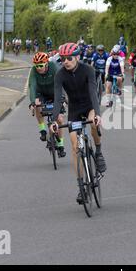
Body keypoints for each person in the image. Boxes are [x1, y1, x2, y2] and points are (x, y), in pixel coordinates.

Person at [50, 42, 107, 204]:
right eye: (62, 59)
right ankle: (81, 186)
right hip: (74, 109)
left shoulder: (88, 70)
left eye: (69, 58)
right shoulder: (60, 75)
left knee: (94, 122)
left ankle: (98, 151)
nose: (65, 61)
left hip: (89, 104)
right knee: (75, 147)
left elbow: (93, 93)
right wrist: (54, 120)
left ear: (77, 57)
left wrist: (97, 113)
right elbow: (57, 98)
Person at [29, 52, 66, 158]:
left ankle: (61, 144)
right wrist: (32, 102)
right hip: (41, 93)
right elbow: (32, 86)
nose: (38, 68)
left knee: (59, 119)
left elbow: (61, 83)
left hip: (55, 93)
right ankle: (42, 130)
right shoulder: (34, 71)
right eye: (36, 66)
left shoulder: (53, 67)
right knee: (37, 104)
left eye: (40, 65)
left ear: (46, 64)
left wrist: (63, 98)